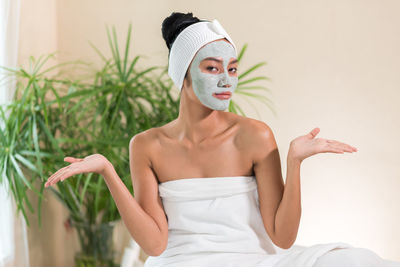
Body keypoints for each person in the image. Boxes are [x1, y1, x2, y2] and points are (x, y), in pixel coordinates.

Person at [45, 12, 399, 267]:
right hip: (181, 262)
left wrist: (294, 162)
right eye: (212, 68)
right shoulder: (146, 145)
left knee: (358, 261)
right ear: (183, 76)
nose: (226, 80)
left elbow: (283, 238)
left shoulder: (254, 135)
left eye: (232, 69)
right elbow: (155, 244)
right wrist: (108, 172)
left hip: (256, 260)